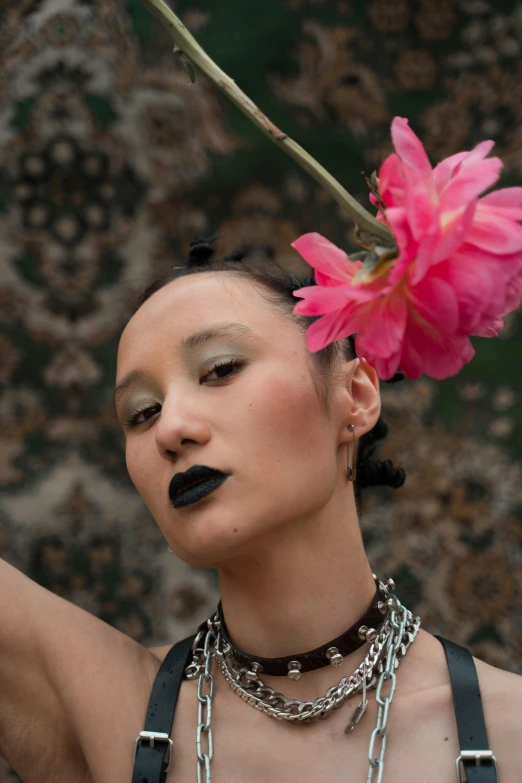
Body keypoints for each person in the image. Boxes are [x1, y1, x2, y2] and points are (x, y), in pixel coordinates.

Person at [1, 236, 521, 783]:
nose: (172, 429)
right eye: (141, 413)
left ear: (358, 396)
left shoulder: (503, 731)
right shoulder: (109, 712)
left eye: (220, 369)